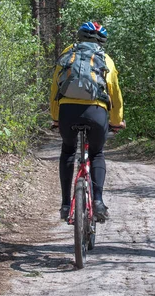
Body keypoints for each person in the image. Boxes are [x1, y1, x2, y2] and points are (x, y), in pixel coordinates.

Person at [50, 21, 125, 221]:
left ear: (80, 37)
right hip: (96, 112)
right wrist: (117, 122)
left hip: (67, 110)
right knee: (97, 153)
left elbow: (55, 89)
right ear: (102, 42)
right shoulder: (105, 59)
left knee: (67, 149)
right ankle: (98, 201)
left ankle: (66, 205)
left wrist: (56, 118)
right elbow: (114, 93)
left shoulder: (68, 54)